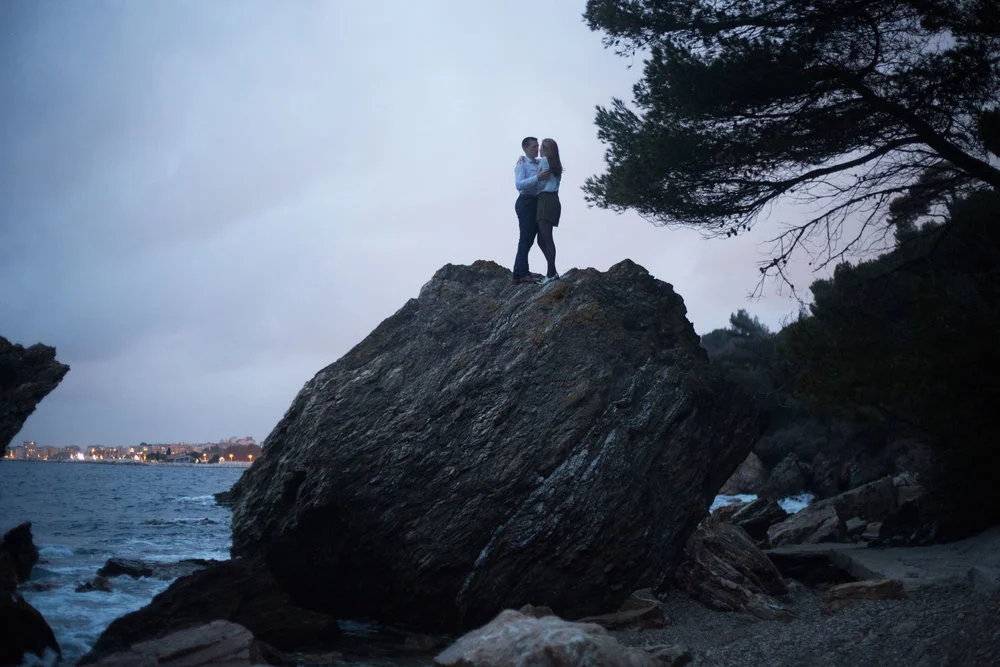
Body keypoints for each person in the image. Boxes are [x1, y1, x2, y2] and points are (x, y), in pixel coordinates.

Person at [512, 136, 547, 284]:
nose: (537, 149)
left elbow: (549, 162)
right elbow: (519, 185)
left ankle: (519, 272)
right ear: (526, 148)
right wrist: (537, 178)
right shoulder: (522, 164)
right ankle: (521, 274)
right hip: (525, 202)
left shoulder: (538, 162)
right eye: (534, 147)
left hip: (534, 203)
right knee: (525, 239)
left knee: (529, 239)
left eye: (538, 146)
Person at [535, 138, 562, 284]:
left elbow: (539, 182)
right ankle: (552, 271)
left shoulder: (545, 162)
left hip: (545, 200)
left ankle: (551, 273)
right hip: (553, 200)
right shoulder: (556, 163)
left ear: (546, 150)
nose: (539, 151)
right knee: (542, 239)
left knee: (546, 239)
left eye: (542, 148)